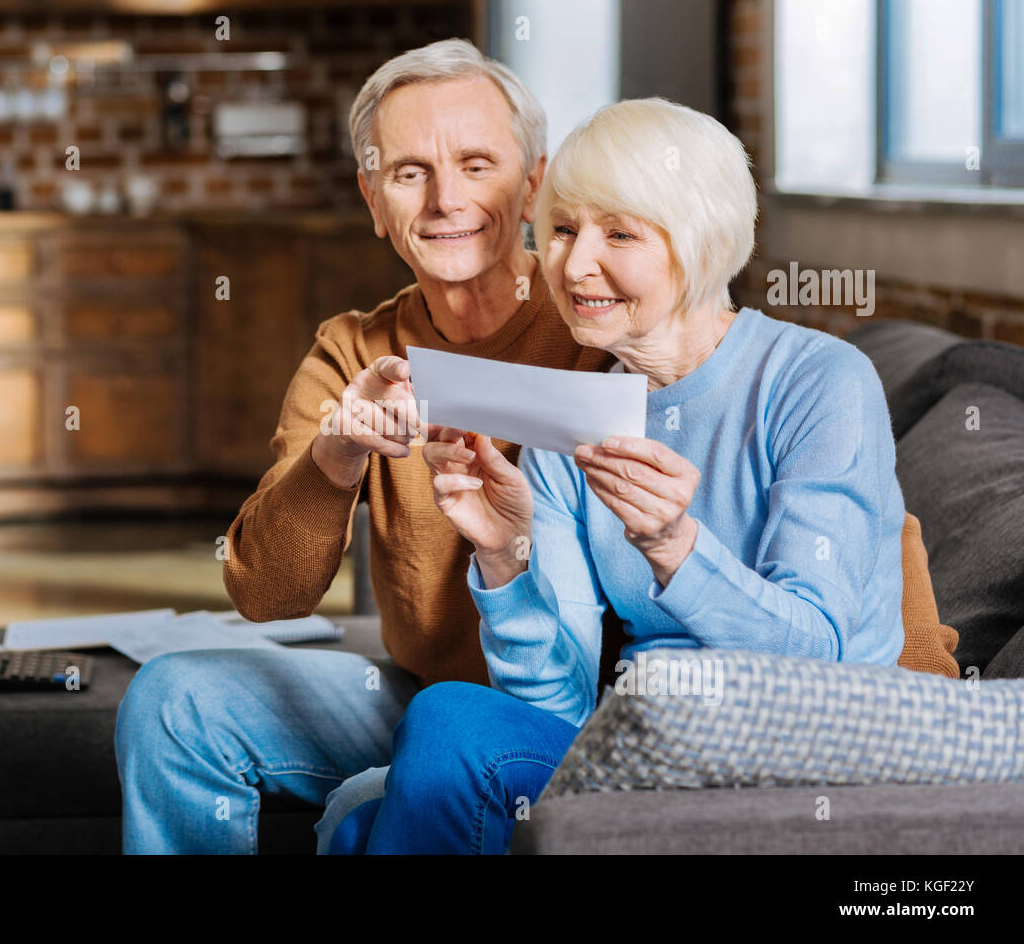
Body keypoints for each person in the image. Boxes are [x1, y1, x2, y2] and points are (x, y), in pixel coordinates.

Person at [323, 97, 937, 855]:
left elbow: (823, 658)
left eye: (619, 233)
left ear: (699, 241)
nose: (576, 264)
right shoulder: (575, 426)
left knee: (442, 728)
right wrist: (503, 557)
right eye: (561, 230)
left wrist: (679, 549)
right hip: (643, 744)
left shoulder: (818, 382)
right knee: (366, 817)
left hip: (801, 751)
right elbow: (559, 706)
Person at [113, 39, 617, 854]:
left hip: (579, 718)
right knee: (173, 699)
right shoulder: (352, 352)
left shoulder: (602, 324)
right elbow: (263, 594)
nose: (446, 199)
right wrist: (338, 453)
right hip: (428, 701)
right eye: (409, 172)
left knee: (437, 740)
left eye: (477, 164)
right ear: (373, 201)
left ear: (533, 186)